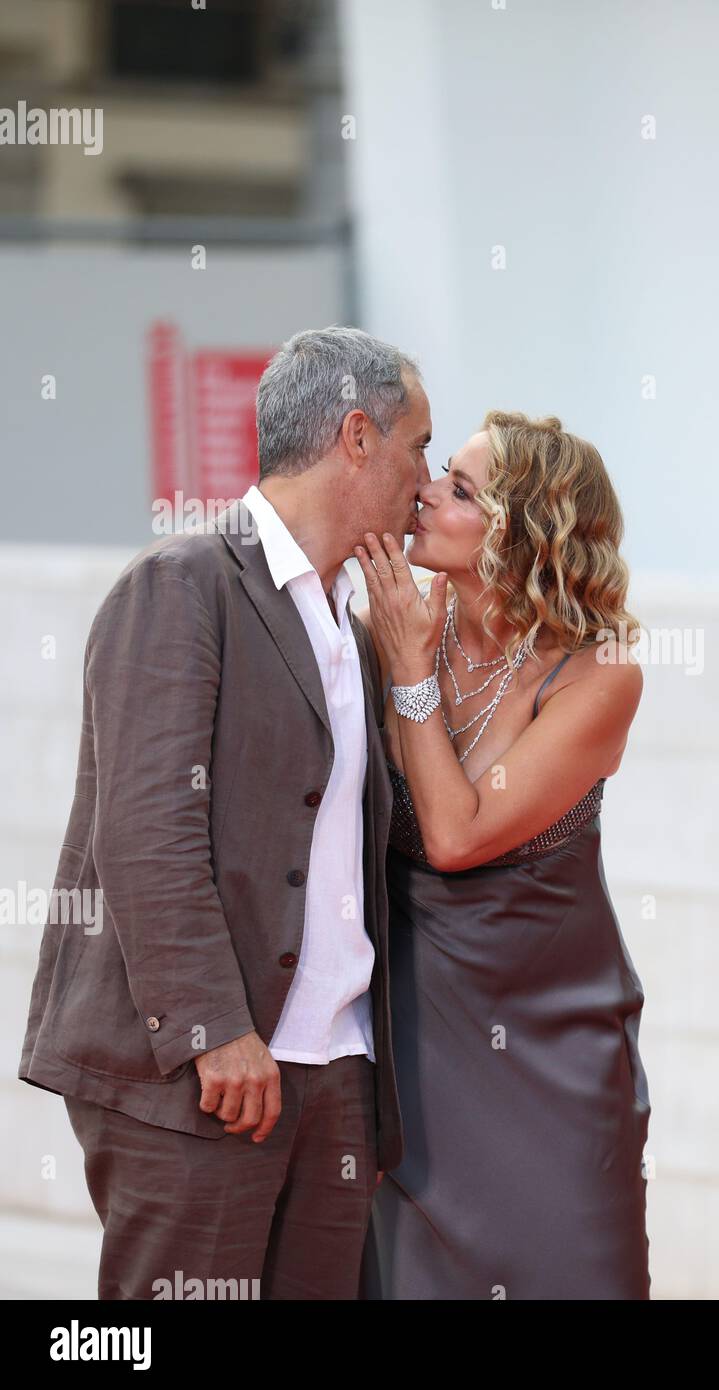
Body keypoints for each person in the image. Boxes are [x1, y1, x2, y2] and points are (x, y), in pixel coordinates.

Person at [18, 325, 426, 1299]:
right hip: (206, 1074)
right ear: (357, 437)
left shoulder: (356, 630)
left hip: (332, 1071)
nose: (428, 471)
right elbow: (146, 828)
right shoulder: (183, 585)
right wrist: (211, 1028)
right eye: (417, 443)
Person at [353, 410, 651, 1299]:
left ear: (522, 533)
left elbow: (454, 836)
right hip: (415, 1045)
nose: (427, 491)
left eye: (461, 489)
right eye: (439, 470)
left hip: (551, 1052)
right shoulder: (396, 629)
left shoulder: (597, 676)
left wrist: (407, 676)